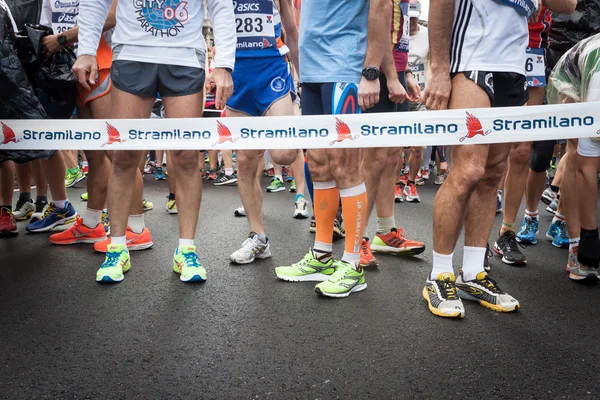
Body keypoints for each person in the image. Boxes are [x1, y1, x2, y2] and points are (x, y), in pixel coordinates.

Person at [73, 0, 236, 283]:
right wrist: (86, 49)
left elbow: (221, 4)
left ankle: (186, 250)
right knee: (124, 155)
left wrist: (224, 64)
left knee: (185, 157)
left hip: (184, 56)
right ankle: (118, 246)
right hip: (133, 53)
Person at [421, 0, 533, 317]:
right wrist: (440, 71)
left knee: (493, 173)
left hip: (514, 67)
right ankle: (439, 274)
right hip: (473, 61)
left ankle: (472, 274)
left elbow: (565, 5)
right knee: (468, 171)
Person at [275, 0, 392, 298]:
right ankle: (322, 256)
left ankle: (352, 265)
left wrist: (371, 71)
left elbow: (382, 6)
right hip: (313, 73)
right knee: (317, 164)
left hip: (345, 68)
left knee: (346, 166)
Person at [495, 0, 576, 266]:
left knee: (521, 151)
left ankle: (507, 230)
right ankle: (476, 240)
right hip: (490, 45)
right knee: (483, 150)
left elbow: (568, 5)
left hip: (532, 51)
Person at [226, 0, 305, 265]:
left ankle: (300, 191)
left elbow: (291, 31)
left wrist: (302, 75)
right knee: (246, 160)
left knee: (284, 153)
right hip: (236, 72)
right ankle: (258, 236)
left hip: (271, 67)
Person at [359, 0, 425, 269]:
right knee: (373, 159)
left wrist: (405, 72)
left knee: (392, 157)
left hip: (394, 70)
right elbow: (379, 25)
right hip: (379, 70)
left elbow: (400, 32)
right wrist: (389, 75)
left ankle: (385, 231)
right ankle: (357, 238)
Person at [546, 33, 600, 280]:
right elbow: (586, 169)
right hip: (573, 76)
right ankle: (577, 243)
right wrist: (591, 234)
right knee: (577, 154)